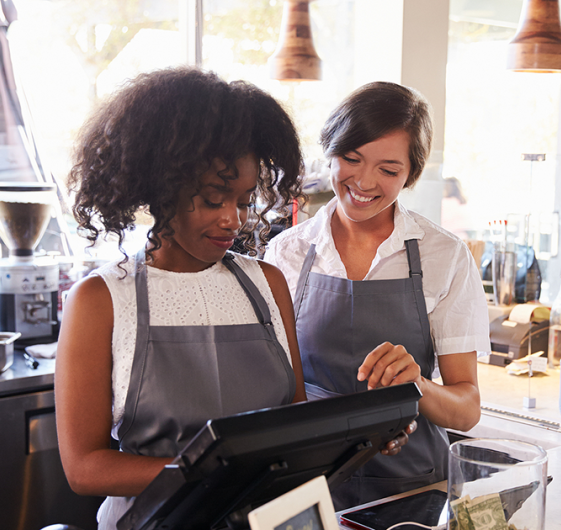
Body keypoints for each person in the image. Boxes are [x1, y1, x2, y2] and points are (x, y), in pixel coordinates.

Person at [55, 67, 311, 529]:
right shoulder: (100, 299)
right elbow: (84, 467)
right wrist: (213, 472)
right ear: (163, 187)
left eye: (245, 200)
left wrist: (364, 434)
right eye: (215, 199)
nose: (234, 220)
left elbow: (293, 419)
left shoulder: (267, 284)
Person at [264, 81, 491, 509]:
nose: (364, 182)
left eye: (388, 170)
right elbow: (272, 389)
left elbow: (466, 409)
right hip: (310, 488)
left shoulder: (445, 256)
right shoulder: (286, 252)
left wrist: (417, 386)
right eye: (351, 159)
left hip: (413, 487)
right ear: (329, 151)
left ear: (410, 175)